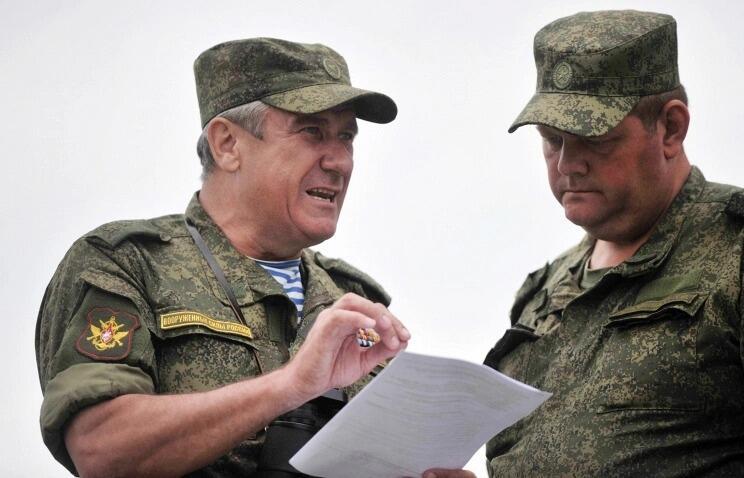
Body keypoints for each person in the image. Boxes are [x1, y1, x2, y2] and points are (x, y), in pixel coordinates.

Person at [35, 37, 416, 477]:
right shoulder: (128, 264)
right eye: (311, 131)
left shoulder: (356, 302)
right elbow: (101, 448)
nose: (338, 162)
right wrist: (290, 385)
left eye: (346, 137)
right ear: (228, 144)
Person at [483, 10, 744, 476]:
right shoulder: (544, 292)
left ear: (671, 128)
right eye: (552, 140)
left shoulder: (734, 250)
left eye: (593, 138)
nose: (568, 164)